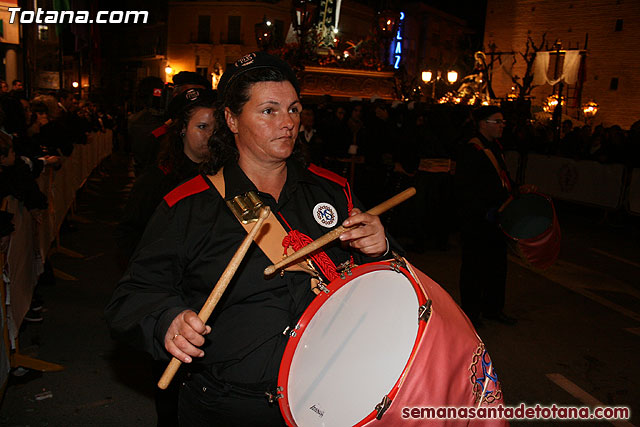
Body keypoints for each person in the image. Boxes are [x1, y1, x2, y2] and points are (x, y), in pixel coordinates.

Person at [105, 51, 391, 426]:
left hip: (327, 395)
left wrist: (381, 248)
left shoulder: (333, 191)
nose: (287, 123)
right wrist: (166, 321)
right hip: (229, 406)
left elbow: (385, 285)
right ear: (231, 119)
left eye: (293, 109)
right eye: (269, 111)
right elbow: (133, 297)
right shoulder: (189, 206)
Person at [454, 106, 520, 328]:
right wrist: (482, 211)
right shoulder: (472, 149)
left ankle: (493, 308)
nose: (502, 125)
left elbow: (502, 179)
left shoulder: (495, 147)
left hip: (497, 217)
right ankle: (470, 313)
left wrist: (518, 191)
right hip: (477, 219)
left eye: (503, 122)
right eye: (498, 121)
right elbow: (464, 188)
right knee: (474, 267)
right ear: (483, 124)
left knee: (497, 266)